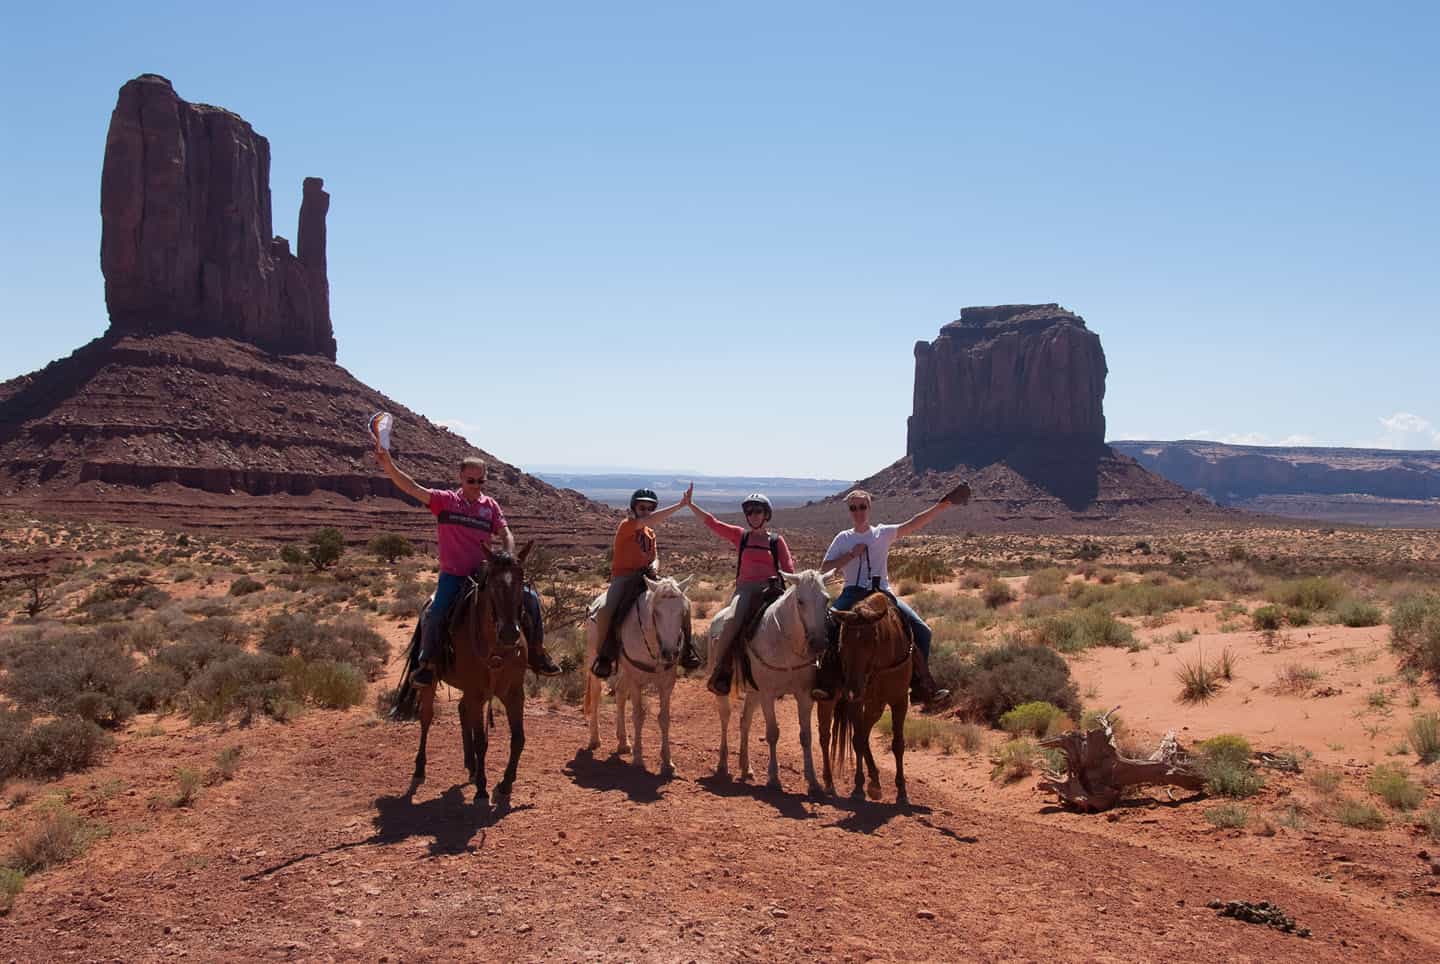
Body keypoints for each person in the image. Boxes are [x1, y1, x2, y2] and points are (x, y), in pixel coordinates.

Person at [374, 445, 560, 686]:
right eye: (471, 480)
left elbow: (506, 533)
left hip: (485, 573)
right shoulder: (445, 501)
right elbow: (412, 488)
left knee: (532, 599)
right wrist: (388, 465)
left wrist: (508, 554)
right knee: (434, 612)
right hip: (454, 575)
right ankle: (427, 664)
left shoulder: (490, 506)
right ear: (461, 478)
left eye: (480, 480)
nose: (476, 485)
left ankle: (537, 653)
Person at [813, 485, 970, 706]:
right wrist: (850, 555)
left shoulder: (882, 533)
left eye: (862, 507)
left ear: (869, 508)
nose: (858, 512)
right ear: (849, 511)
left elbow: (914, 523)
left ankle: (920, 685)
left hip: (881, 594)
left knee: (923, 632)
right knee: (827, 625)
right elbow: (824, 568)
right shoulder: (843, 538)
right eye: (854, 508)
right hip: (852, 592)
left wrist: (941, 507)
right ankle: (826, 683)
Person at [589, 484, 702, 678]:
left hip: (648, 577)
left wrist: (654, 568)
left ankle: (686, 649)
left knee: (683, 603)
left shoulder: (650, 534)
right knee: (606, 610)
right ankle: (604, 657)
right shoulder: (627, 526)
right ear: (634, 508)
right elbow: (651, 521)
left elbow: (655, 556)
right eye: (642, 508)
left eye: (650, 508)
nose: (646, 512)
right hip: (624, 579)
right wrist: (680, 505)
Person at [689, 493, 795, 696]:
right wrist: (690, 505)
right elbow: (713, 523)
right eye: (750, 512)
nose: (753, 515)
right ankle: (722, 671)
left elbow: (788, 567)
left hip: (771, 590)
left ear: (766, 515)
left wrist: (799, 580)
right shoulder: (741, 536)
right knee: (731, 622)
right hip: (746, 590)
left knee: (798, 619)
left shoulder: (776, 541)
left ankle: (804, 669)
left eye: (758, 511)